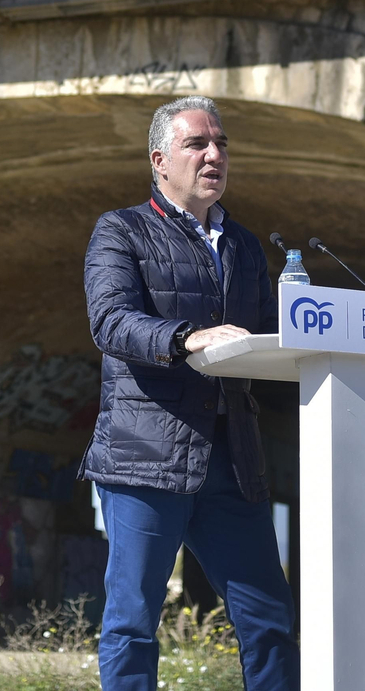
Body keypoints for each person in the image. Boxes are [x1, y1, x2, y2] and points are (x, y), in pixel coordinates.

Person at [80, 95, 299, 691]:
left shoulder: (248, 246)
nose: (214, 154)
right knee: (133, 624)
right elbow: (111, 322)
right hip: (146, 457)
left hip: (234, 460)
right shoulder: (120, 230)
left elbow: (263, 339)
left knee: (271, 621)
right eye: (197, 144)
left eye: (221, 144)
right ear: (159, 160)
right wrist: (187, 337)